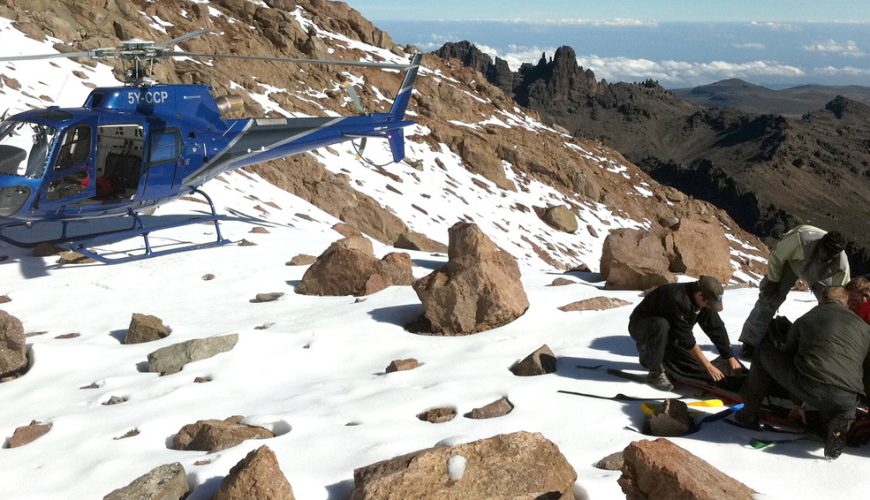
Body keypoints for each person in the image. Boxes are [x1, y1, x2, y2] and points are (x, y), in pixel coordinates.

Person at [735, 287, 870, 459]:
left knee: (762, 354)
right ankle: (838, 421)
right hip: (848, 397)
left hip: (810, 385)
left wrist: (797, 401)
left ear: (821, 300)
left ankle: (748, 414)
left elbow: (790, 355)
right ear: (846, 304)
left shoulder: (807, 318)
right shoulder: (865, 328)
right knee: (835, 407)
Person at [739, 225, 850, 357]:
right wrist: (773, 281)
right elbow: (777, 256)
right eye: (826, 250)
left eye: (833, 254)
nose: (828, 256)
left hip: (820, 275)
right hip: (793, 263)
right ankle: (750, 342)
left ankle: (818, 350)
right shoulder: (801, 240)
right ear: (821, 243)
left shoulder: (841, 264)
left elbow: (841, 291)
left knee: (830, 310)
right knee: (769, 298)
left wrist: (834, 308)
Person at [628, 276, 742, 391]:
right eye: (708, 303)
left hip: (670, 327)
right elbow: (686, 339)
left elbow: (716, 328)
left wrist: (729, 356)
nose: (709, 306)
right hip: (641, 326)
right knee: (661, 326)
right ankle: (655, 373)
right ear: (700, 295)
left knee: (686, 359)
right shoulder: (678, 300)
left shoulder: (704, 300)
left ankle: (650, 353)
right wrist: (707, 365)